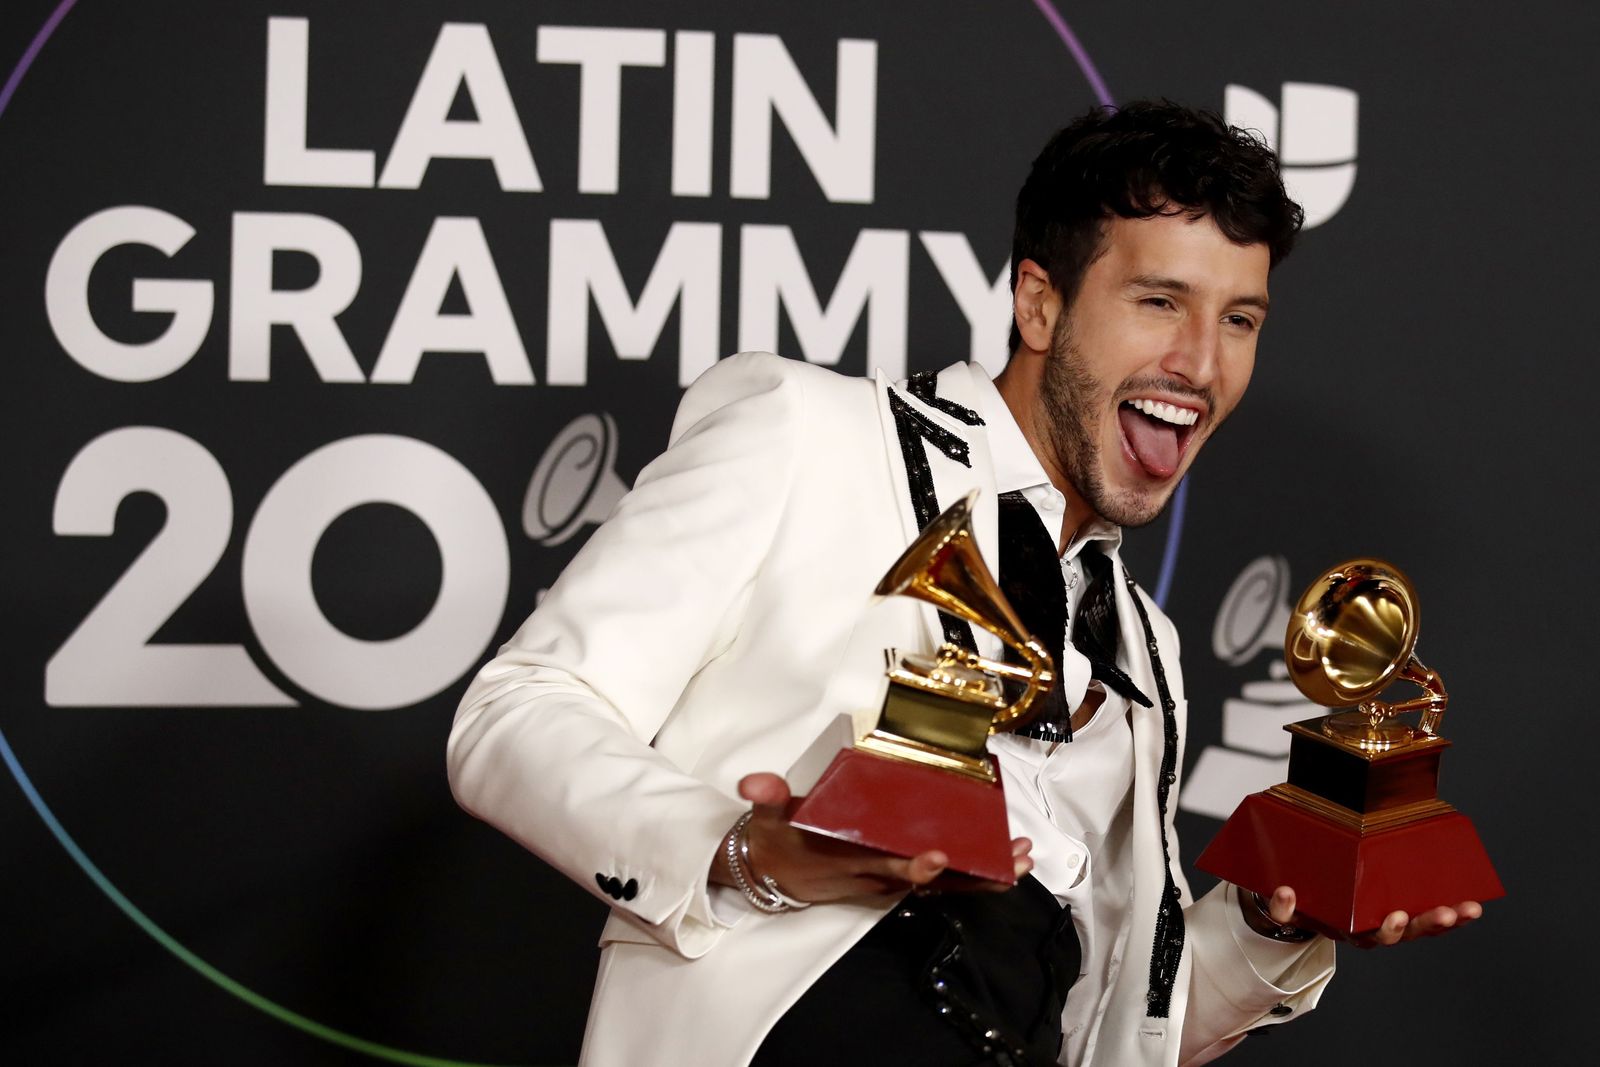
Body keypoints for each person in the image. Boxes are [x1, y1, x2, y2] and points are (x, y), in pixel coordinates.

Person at [448, 101, 1480, 1067]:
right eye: (1159, 300)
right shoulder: (810, 435)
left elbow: (1114, 1024)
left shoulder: (1143, 643)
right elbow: (516, 713)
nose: (1200, 363)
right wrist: (742, 850)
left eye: (1240, 319)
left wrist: (1271, 921)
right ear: (1040, 302)